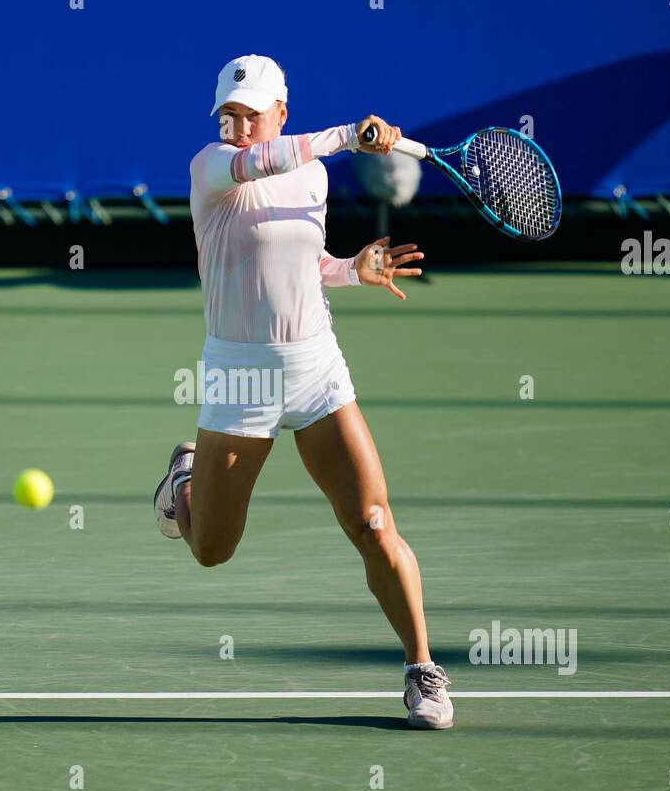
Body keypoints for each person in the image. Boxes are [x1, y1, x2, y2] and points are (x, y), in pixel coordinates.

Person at [152, 54, 452, 729]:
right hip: (240, 375)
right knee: (212, 550)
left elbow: (300, 261)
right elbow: (258, 167)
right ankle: (184, 482)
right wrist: (349, 134)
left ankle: (421, 669)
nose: (238, 128)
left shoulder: (310, 175)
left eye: (251, 116)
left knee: (373, 524)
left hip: (316, 367)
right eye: (229, 115)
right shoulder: (213, 168)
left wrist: (353, 269)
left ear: (281, 113)